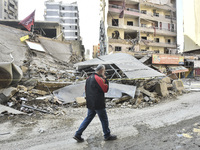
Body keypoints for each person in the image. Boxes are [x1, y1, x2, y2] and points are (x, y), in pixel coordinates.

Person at [73, 64, 117, 142]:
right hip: (98, 103)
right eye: (104, 71)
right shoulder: (98, 79)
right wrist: (105, 79)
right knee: (104, 119)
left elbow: (86, 90)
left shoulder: (88, 78)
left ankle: (78, 134)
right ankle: (107, 135)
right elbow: (105, 89)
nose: (104, 72)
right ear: (101, 70)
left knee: (88, 118)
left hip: (90, 103)